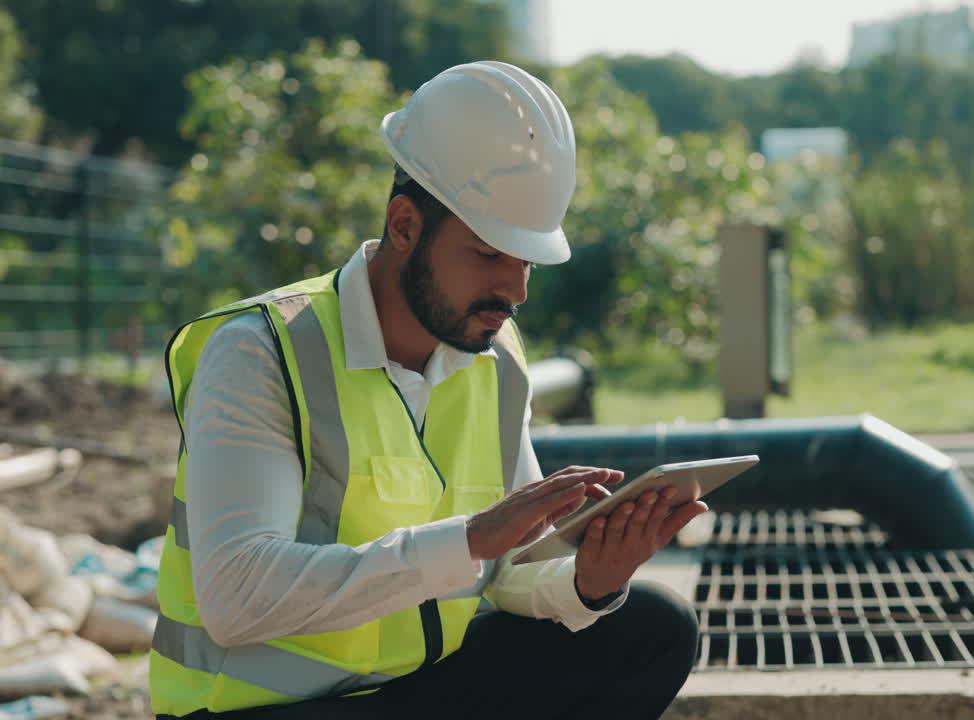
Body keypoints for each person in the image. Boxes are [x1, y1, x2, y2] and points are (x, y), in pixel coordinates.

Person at [149, 61, 708, 719]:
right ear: (406, 225)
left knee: (649, 627)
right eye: (489, 253)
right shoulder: (261, 351)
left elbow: (512, 572)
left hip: (408, 693)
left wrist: (588, 583)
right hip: (259, 712)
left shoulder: (494, 358)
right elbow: (237, 600)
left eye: (525, 260)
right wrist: (468, 541)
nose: (517, 290)